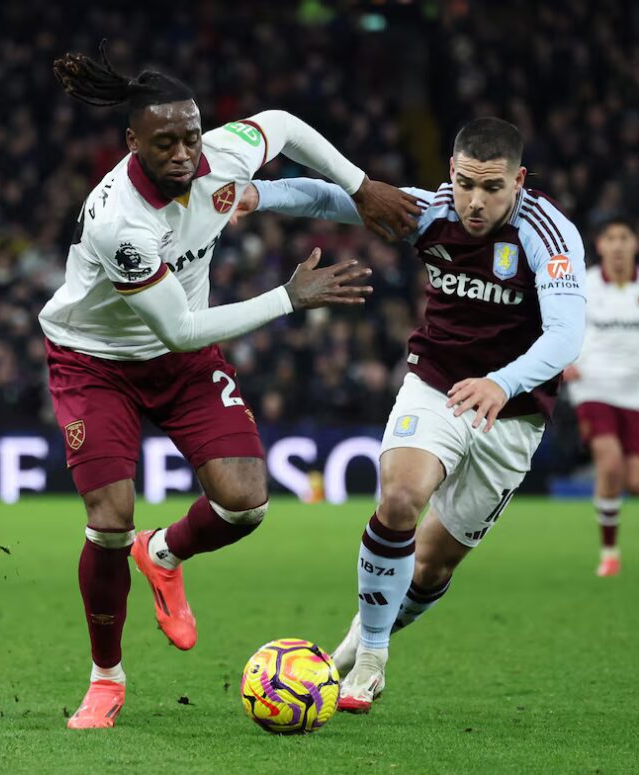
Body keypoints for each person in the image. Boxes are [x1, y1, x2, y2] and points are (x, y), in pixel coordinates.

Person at [40, 42, 420, 730]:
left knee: (245, 502)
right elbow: (181, 326)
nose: (186, 152)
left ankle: (164, 553)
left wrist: (361, 186)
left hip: (180, 363)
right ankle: (106, 678)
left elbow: (285, 124)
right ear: (133, 143)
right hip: (96, 361)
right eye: (166, 142)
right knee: (108, 520)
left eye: (191, 134)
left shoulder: (222, 152)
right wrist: (289, 297)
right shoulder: (121, 221)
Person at [236, 117, 587, 712]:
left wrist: (502, 383)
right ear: (451, 171)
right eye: (467, 183)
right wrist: (258, 193)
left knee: (431, 566)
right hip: (438, 387)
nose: (476, 202)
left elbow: (566, 335)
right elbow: (334, 197)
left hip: (513, 412)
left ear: (519, 181)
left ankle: (352, 646)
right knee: (400, 498)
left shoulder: (548, 233)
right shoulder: (431, 211)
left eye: (493, 188)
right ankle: (372, 659)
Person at [561, 218, 639, 576]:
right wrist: (564, 361)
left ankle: (610, 521)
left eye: (624, 238)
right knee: (610, 463)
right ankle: (609, 552)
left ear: (635, 244)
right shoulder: (582, 285)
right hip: (592, 386)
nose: (617, 245)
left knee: (637, 483)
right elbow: (560, 326)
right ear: (599, 245)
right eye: (610, 238)